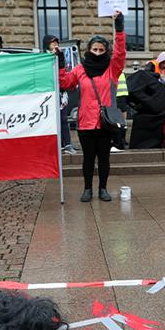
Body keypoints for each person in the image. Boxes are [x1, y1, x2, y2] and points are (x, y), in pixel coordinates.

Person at [58, 11, 126, 203]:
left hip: (105, 122)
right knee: (88, 159)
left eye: (101, 50)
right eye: (94, 50)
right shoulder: (80, 70)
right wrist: (61, 63)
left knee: (104, 158)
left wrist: (119, 28)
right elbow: (65, 83)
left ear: (106, 51)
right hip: (86, 123)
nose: (97, 53)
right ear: (89, 50)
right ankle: (87, 189)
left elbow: (120, 53)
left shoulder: (112, 68)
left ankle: (103, 189)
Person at [43, 34, 76, 155]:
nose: (56, 45)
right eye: (53, 43)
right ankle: (56, 145)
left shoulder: (60, 56)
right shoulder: (43, 57)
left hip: (61, 93)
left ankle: (67, 144)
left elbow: (64, 75)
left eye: (57, 42)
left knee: (63, 119)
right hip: (48, 94)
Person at [112, 71, 129, 151]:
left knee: (122, 121)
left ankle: (122, 139)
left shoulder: (119, 71)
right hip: (117, 96)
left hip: (121, 96)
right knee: (120, 120)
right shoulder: (115, 70)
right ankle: (121, 139)